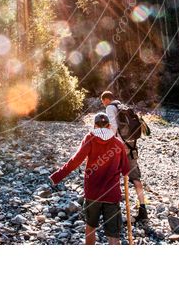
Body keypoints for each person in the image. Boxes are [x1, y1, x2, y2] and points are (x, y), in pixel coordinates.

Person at [49, 112, 129, 245]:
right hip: (112, 194)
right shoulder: (118, 144)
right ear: (109, 126)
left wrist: (57, 177)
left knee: (91, 227)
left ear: (95, 125)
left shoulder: (90, 139)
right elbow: (126, 170)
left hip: (93, 194)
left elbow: (75, 162)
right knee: (113, 234)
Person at [101, 90, 148, 222]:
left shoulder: (110, 108)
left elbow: (113, 127)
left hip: (119, 147)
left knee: (112, 175)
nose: (104, 105)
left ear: (105, 100)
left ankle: (111, 210)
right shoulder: (123, 107)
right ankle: (143, 210)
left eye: (103, 102)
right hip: (132, 146)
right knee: (135, 178)